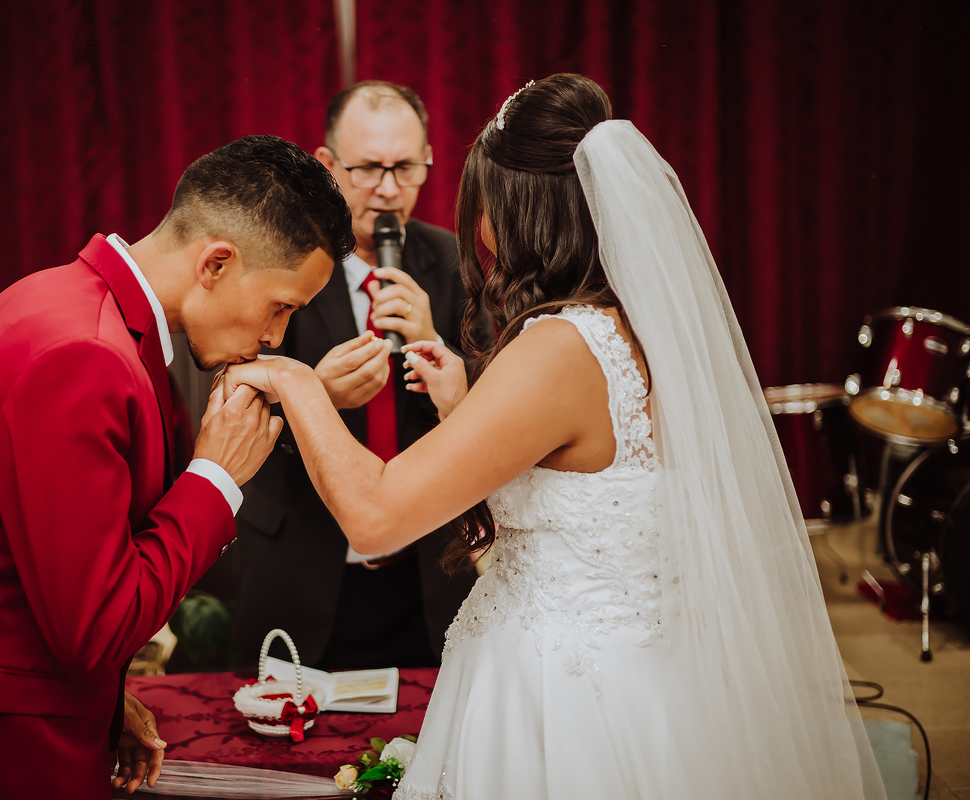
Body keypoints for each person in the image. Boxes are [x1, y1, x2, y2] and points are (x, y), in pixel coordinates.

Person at [225, 76, 886, 799]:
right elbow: (578, 469)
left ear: (518, 210)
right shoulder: (638, 325)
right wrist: (464, 403)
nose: (479, 229)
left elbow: (377, 515)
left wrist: (293, 380)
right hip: (647, 668)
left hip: (565, 693)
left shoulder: (557, 347)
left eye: (485, 204)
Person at [0, 135, 354, 800]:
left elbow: (54, 569)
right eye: (282, 306)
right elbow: (94, 628)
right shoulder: (85, 354)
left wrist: (104, 699)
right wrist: (215, 480)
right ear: (216, 264)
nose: (275, 337)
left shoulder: (67, 298)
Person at [230, 81, 476, 670]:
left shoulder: (453, 261)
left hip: (426, 575)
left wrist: (436, 346)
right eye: (368, 169)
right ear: (328, 166)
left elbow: (501, 399)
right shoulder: (275, 261)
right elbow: (227, 400)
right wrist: (315, 396)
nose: (388, 189)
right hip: (302, 566)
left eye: (405, 168)